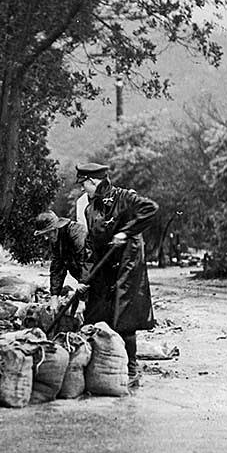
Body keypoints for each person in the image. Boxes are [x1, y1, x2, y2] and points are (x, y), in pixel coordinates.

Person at [78, 162, 158, 388]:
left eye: (84, 184)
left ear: (93, 181)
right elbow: (90, 246)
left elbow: (151, 209)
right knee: (96, 314)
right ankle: (103, 367)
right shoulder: (89, 209)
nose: (83, 189)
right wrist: (85, 279)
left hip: (126, 265)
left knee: (124, 318)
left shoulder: (124, 197)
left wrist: (126, 232)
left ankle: (132, 368)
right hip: (104, 266)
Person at [33, 210, 89, 300]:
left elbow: (86, 258)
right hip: (84, 279)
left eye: (47, 233)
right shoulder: (56, 239)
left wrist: (83, 281)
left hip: (96, 273)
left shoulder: (76, 232)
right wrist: (54, 295)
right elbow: (57, 266)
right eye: (43, 235)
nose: (46, 238)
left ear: (56, 228)